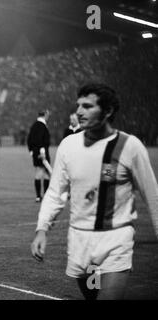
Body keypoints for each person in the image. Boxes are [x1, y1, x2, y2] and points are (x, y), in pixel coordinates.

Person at [30, 83, 158, 300]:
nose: (79, 111)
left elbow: (152, 196)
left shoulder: (130, 147)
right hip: (81, 243)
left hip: (115, 241)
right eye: (78, 105)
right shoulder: (69, 146)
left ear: (107, 111)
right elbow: (54, 192)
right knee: (93, 296)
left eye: (88, 106)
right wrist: (42, 229)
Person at [27, 110, 51, 202]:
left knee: (41, 173)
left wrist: (31, 151)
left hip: (36, 152)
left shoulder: (34, 125)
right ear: (45, 115)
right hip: (42, 154)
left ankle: (38, 196)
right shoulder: (42, 126)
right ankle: (44, 195)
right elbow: (40, 140)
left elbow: (29, 139)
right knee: (45, 173)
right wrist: (42, 152)